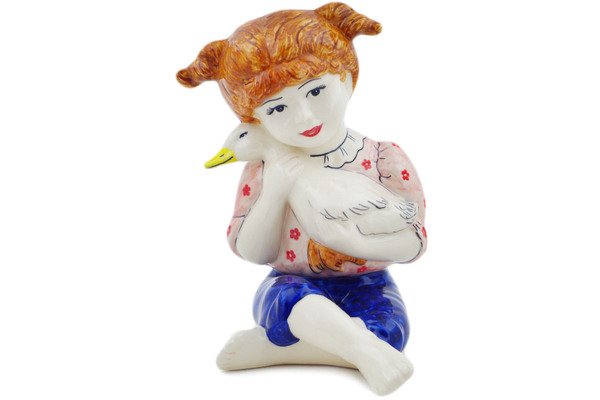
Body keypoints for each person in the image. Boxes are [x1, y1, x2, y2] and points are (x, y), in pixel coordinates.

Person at [177, 3, 427, 395]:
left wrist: (346, 242)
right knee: (287, 299)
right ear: (254, 119)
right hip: (292, 283)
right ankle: (362, 350)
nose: (305, 117)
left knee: (390, 330)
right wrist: (275, 192)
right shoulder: (262, 171)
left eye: (316, 91)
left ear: (347, 78)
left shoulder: (382, 158)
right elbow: (254, 252)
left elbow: (414, 244)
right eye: (278, 107)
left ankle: (280, 349)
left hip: (368, 284)